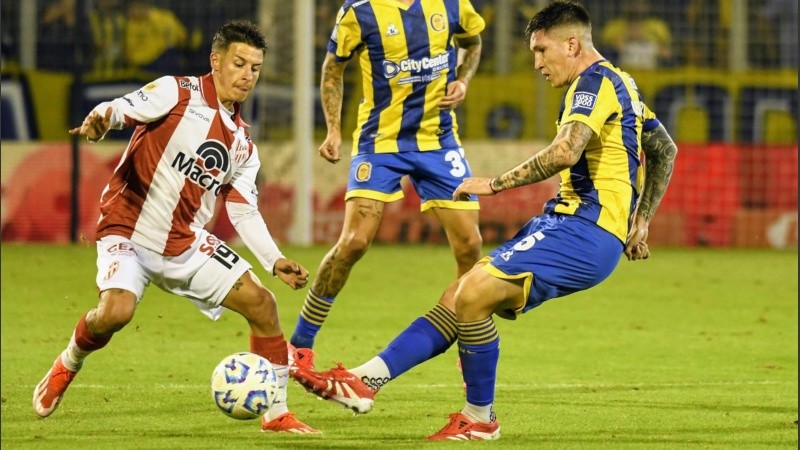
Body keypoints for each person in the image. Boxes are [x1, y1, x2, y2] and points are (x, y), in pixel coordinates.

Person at [292, 0, 678, 441]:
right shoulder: (620, 82)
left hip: (585, 230)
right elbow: (666, 150)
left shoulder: (592, 84)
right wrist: (641, 220)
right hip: (569, 225)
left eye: (541, 51)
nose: (536, 63)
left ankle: (474, 417)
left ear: (572, 44)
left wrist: (494, 184)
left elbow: (566, 152)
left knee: (472, 292)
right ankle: (368, 384)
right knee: (461, 294)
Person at [32, 20, 321, 435]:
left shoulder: (243, 143)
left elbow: (242, 210)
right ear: (216, 60)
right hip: (128, 229)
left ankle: (276, 415)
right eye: (239, 64)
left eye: (255, 68)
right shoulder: (176, 91)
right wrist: (100, 119)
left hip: (185, 243)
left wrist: (275, 260)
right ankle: (69, 361)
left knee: (263, 305)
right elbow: (120, 108)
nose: (247, 76)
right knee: (116, 312)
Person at [288, 0, 486, 369]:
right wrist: (333, 129)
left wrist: (463, 79)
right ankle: (301, 342)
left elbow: (472, 42)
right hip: (379, 143)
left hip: (438, 141)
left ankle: (468, 333)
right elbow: (333, 70)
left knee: (470, 244)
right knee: (354, 243)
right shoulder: (359, 12)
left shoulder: (451, 4)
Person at [600, 1, 672, 69]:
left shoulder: (657, 26)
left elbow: (667, 52)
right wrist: (626, 37)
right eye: (631, 3)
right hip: (622, 72)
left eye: (639, 3)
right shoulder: (614, 26)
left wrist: (645, 38)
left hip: (652, 73)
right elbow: (604, 51)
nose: (635, 7)